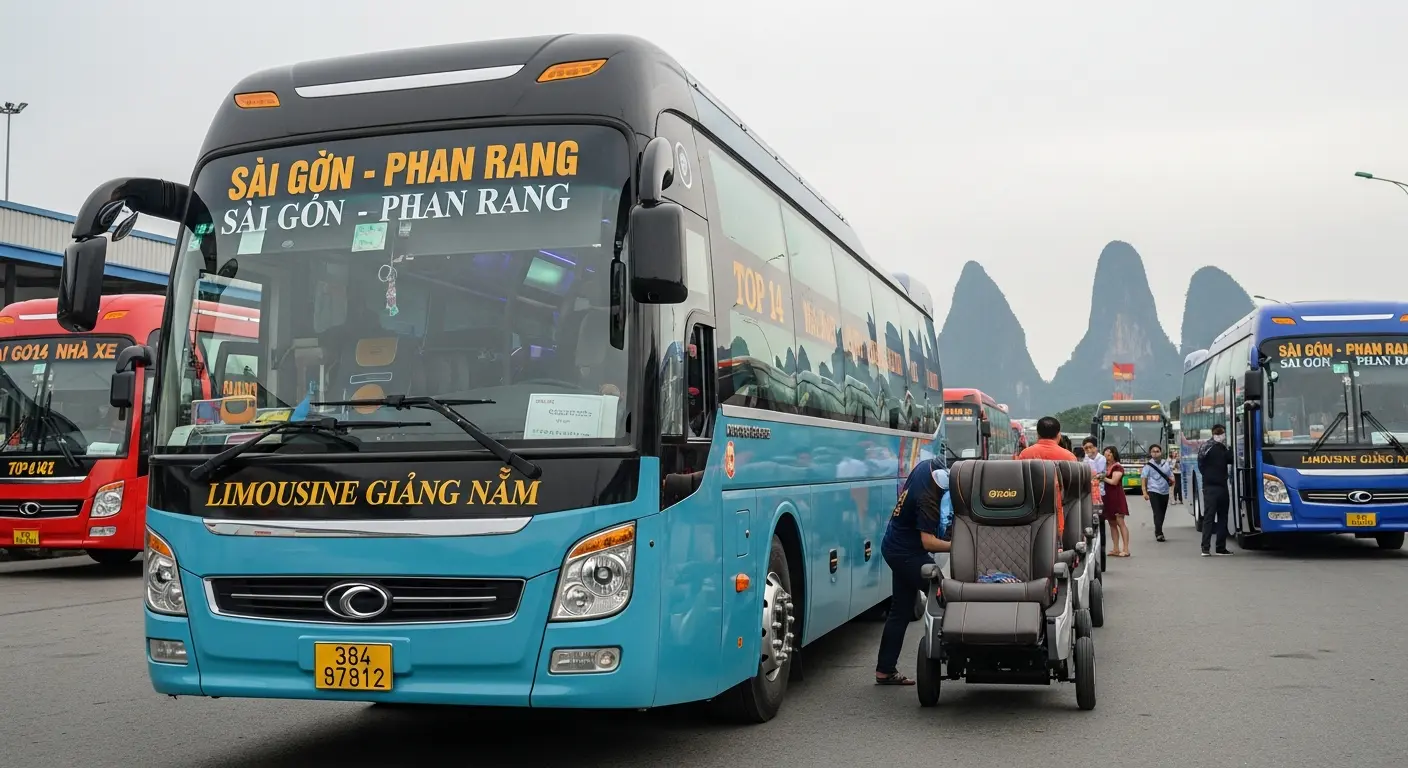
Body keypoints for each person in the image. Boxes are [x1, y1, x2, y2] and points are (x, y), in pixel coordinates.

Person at [874, 455, 952, 685]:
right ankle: (955, 651)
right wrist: (957, 545)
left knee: (901, 610)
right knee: (945, 595)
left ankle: (885, 670)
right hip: (907, 553)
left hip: (895, 545)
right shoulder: (927, 500)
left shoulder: (927, 466)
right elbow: (928, 542)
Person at [1198, 423, 1234, 556]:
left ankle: (1205, 548)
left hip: (1209, 487)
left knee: (1209, 518)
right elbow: (1231, 459)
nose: (1221, 435)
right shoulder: (1222, 448)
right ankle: (1220, 547)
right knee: (1221, 518)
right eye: (1219, 433)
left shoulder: (1205, 447)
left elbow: (1200, 465)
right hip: (1220, 487)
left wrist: (1208, 476)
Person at [1141, 443, 1174, 542]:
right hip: (1153, 490)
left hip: (1164, 491)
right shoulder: (1148, 465)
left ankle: (1158, 529)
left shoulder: (1166, 463)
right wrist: (1144, 492)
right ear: (1150, 453)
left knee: (1162, 513)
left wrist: (1172, 488)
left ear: (1161, 452)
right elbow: (1144, 478)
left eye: (1157, 451)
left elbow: (1170, 476)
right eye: (1153, 452)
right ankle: (1159, 533)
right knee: (1157, 512)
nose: (1155, 453)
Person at [1101, 445, 1130, 556]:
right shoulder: (1105, 467)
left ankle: (1126, 549)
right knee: (1112, 523)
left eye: (1109, 454)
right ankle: (1116, 548)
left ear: (1114, 455)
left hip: (1116, 497)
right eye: (1105, 455)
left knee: (1120, 522)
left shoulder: (1117, 467)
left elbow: (1114, 481)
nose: (1107, 457)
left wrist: (1102, 477)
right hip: (1107, 497)